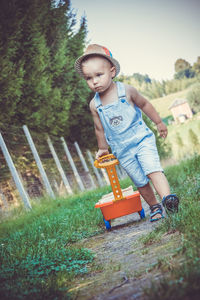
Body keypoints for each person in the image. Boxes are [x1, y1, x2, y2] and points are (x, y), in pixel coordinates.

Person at [74, 44, 179, 222]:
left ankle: (168, 199)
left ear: (112, 71)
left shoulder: (126, 91)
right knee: (140, 181)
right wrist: (102, 148)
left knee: (152, 169)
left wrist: (159, 122)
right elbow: (99, 128)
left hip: (141, 140)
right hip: (122, 150)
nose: (95, 81)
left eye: (99, 75)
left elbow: (145, 104)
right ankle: (155, 207)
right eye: (89, 78)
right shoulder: (95, 104)